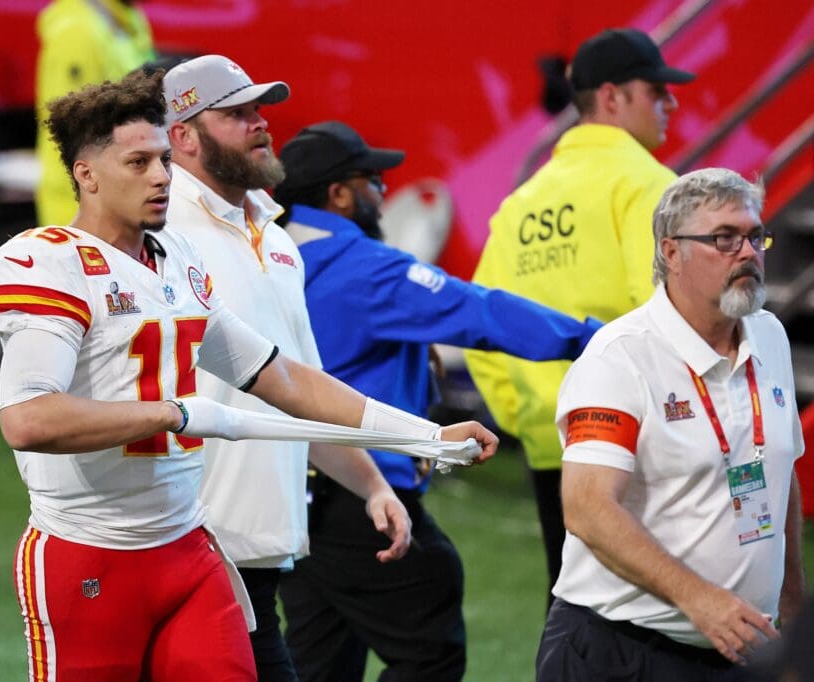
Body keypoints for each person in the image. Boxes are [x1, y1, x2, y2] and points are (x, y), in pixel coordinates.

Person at [0, 70, 497, 681]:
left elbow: (285, 379)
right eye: (138, 161)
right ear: (86, 174)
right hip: (89, 550)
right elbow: (28, 418)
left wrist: (424, 437)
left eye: (164, 160)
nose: (160, 176)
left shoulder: (178, 259)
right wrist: (170, 413)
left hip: (186, 548)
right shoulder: (48, 262)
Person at [271, 120, 604, 682]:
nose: (383, 193)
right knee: (430, 644)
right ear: (340, 193)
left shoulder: (266, 259)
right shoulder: (366, 268)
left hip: (287, 493)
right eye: (373, 179)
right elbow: (480, 312)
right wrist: (592, 337)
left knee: (319, 662)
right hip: (364, 492)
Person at [161, 55, 412, 682]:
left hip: (258, 553)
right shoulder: (160, 233)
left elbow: (299, 388)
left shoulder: (274, 238)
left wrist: (372, 485)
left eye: (259, 110)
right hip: (189, 549)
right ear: (182, 136)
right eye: (237, 113)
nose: (259, 124)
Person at [536, 168, 806, 681]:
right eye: (723, 239)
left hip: (739, 646)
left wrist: (792, 601)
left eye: (754, 236)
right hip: (619, 652)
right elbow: (588, 509)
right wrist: (698, 599)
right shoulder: (620, 357)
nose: (747, 252)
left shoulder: (770, 335)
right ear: (671, 252)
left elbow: (779, 472)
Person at [464, 27, 695, 602]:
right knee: (665, 616)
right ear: (613, 97)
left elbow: (480, 323)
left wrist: (530, 416)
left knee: (573, 612)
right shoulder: (650, 185)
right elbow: (682, 311)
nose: (671, 102)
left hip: (553, 441)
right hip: (646, 446)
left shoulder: (519, 203)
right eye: (656, 90)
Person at [34, 0, 156, 226]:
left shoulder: (129, 21)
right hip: (79, 200)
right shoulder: (77, 31)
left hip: (121, 194)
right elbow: (76, 127)